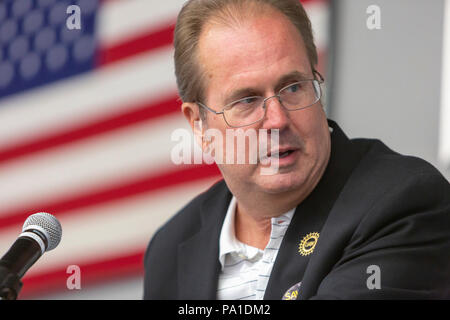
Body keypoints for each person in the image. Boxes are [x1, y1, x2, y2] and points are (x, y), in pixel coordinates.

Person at [143, 0, 450, 300]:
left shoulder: (403, 203)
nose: (277, 119)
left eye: (292, 87)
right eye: (247, 100)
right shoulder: (170, 248)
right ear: (199, 124)